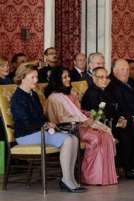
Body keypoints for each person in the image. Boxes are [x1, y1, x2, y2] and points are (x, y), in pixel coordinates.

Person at [10, 63, 84, 192]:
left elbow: (40, 116)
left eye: (36, 77)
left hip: (38, 132)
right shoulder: (17, 98)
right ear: (22, 78)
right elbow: (25, 122)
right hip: (25, 136)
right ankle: (66, 180)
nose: (36, 80)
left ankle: (71, 179)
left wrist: (47, 122)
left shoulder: (33, 95)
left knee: (74, 139)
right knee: (67, 140)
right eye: (32, 77)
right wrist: (44, 125)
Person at [44, 67, 118, 186]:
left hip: (79, 124)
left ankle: (104, 177)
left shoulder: (69, 93)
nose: (68, 79)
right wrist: (83, 119)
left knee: (105, 135)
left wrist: (86, 114)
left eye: (68, 76)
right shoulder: (55, 97)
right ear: (57, 80)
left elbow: (77, 112)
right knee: (96, 137)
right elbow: (60, 118)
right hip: (68, 129)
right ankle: (89, 176)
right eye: (64, 77)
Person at [107, 59, 134, 180]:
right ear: (114, 71)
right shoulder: (113, 86)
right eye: (122, 69)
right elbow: (118, 107)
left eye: (127, 69)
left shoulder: (131, 82)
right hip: (120, 121)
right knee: (132, 133)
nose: (125, 72)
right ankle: (131, 169)